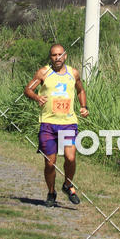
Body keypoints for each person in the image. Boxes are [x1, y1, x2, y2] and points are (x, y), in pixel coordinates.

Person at [24, 43, 88, 207]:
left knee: (70, 158)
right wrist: (37, 98)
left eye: (60, 54)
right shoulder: (44, 72)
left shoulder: (73, 73)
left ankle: (67, 184)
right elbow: (28, 90)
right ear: (50, 57)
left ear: (65, 56)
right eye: (54, 55)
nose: (57, 58)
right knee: (50, 163)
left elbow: (80, 90)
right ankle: (51, 192)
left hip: (68, 123)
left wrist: (83, 106)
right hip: (48, 124)